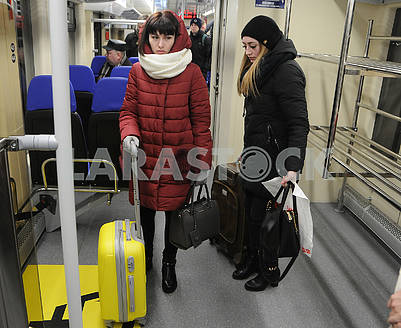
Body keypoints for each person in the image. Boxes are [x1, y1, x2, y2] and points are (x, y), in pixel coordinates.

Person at [119, 10, 212, 294]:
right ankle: (146, 257)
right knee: (145, 213)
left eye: (168, 37)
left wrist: (201, 161)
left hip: (178, 158)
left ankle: (168, 262)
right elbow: (128, 111)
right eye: (155, 36)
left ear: (178, 37)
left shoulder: (192, 73)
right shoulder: (137, 70)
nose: (161, 43)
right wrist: (130, 133)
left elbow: (201, 122)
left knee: (175, 215)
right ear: (146, 38)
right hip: (144, 157)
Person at [232, 15, 309, 291]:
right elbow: (257, 120)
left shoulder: (287, 71)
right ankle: (253, 261)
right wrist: (247, 151)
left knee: (268, 221)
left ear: (266, 43)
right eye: (244, 46)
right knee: (252, 216)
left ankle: (269, 272)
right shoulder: (261, 68)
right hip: (257, 158)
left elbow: (298, 123)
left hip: (277, 162)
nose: (248, 52)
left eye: (252, 46)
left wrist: (292, 166)